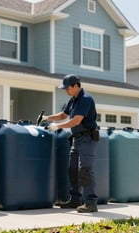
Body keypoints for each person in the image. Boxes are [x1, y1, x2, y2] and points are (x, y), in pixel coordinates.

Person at [41, 74, 99, 213]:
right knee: (72, 169)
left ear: (75, 86)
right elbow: (64, 115)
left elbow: (76, 120)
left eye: (67, 88)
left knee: (84, 169)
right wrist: (47, 118)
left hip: (87, 138)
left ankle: (91, 203)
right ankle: (75, 200)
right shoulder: (73, 100)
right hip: (77, 138)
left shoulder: (85, 99)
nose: (66, 91)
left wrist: (58, 127)